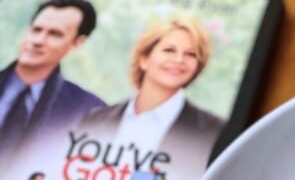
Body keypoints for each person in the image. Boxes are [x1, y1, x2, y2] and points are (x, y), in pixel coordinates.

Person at [80, 16, 224, 167]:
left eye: (191, 54)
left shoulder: (214, 131)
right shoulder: (94, 119)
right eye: (169, 50)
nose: (179, 60)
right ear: (144, 59)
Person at [0, 0, 105, 156]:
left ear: (77, 43)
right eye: (36, 29)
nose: (38, 41)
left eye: (55, 34)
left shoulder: (87, 110)